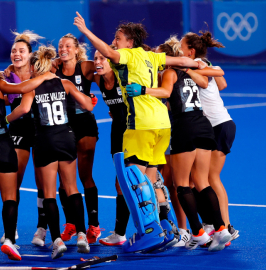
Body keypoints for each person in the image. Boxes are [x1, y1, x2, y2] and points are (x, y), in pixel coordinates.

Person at [73, 12, 206, 252]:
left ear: (130, 42)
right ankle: (167, 229)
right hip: (162, 123)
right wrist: (198, 63)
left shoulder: (129, 54)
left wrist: (86, 32)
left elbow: (110, 53)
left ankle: (149, 232)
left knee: (134, 178)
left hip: (141, 123)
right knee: (154, 178)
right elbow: (181, 62)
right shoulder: (151, 56)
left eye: (118, 38)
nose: (115, 42)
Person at [0, 45, 94, 259]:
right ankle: (81, 234)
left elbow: (22, 109)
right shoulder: (65, 83)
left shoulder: (32, 86)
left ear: (35, 66)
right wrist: (90, 101)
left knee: (49, 193)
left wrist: (4, 121)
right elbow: (88, 105)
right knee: (72, 188)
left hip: (45, 140)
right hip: (66, 138)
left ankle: (57, 240)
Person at [0, 48, 57, 263]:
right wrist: (44, 75)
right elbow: (23, 88)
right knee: (10, 197)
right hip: (3, 147)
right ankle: (9, 241)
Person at [147, 36, 231, 251]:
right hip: (203, 126)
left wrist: (142, 90)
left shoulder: (168, 73)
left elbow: (165, 93)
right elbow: (207, 81)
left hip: (184, 128)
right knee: (202, 182)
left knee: (182, 184)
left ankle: (197, 233)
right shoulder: (191, 72)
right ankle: (221, 228)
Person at [180, 31, 239, 244]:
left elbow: (207, 82)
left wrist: (187, 69)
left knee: (210, 178)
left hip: (217, 125)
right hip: (219, 125)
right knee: (199, 179)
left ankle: (226, 227)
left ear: (191, 51)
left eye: (181, 46)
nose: (179, 50)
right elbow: (222, 85)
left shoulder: (196, 63)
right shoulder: (204, 62)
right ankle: (214, 225)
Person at [53, 34, 101, 244]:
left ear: (76, 49)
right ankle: (71, 224)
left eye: (68, 46)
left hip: (85, 126)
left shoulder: (86, 67)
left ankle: (94, 224)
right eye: (60, 46)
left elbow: (107, 70)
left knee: (84, 176)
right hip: (63, 126)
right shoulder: (54, 70)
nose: (64, 48)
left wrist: (104, 97)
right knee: (64, 181)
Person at [5, 30, 48, 246]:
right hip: (18, 130)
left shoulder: (40, 71)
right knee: (15, 180)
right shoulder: (7, 74)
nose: (17, 54)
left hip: (41, 129)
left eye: (21, 50)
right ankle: (11, 228)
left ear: (30, 54)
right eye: (14, 51)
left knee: (43, 182)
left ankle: (41, 229)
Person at [90, 48, 130, 246]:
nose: (97, 61)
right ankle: (120, 233)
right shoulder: (99, 80)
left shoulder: (123, 76)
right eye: (95, 57)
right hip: (117, 133)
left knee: (133, 182)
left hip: (133, 132)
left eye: (102, 58)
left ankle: (154, 228)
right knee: (121, 183)